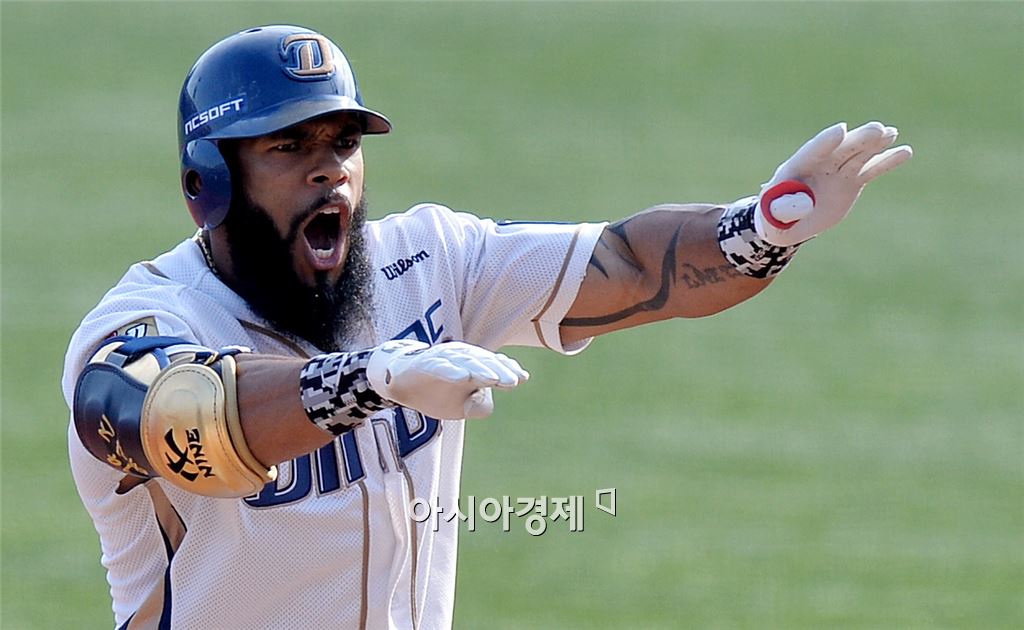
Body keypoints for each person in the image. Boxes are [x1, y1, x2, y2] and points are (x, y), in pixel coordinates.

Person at [62, 24, 912, 630]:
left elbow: (625, 263)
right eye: (286, 148)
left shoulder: (428, 260)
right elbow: (175, 414)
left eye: (343, 142)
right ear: (208, 182)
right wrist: (370, 379)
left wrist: (758, 229)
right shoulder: (146, 323)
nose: (329, 170)